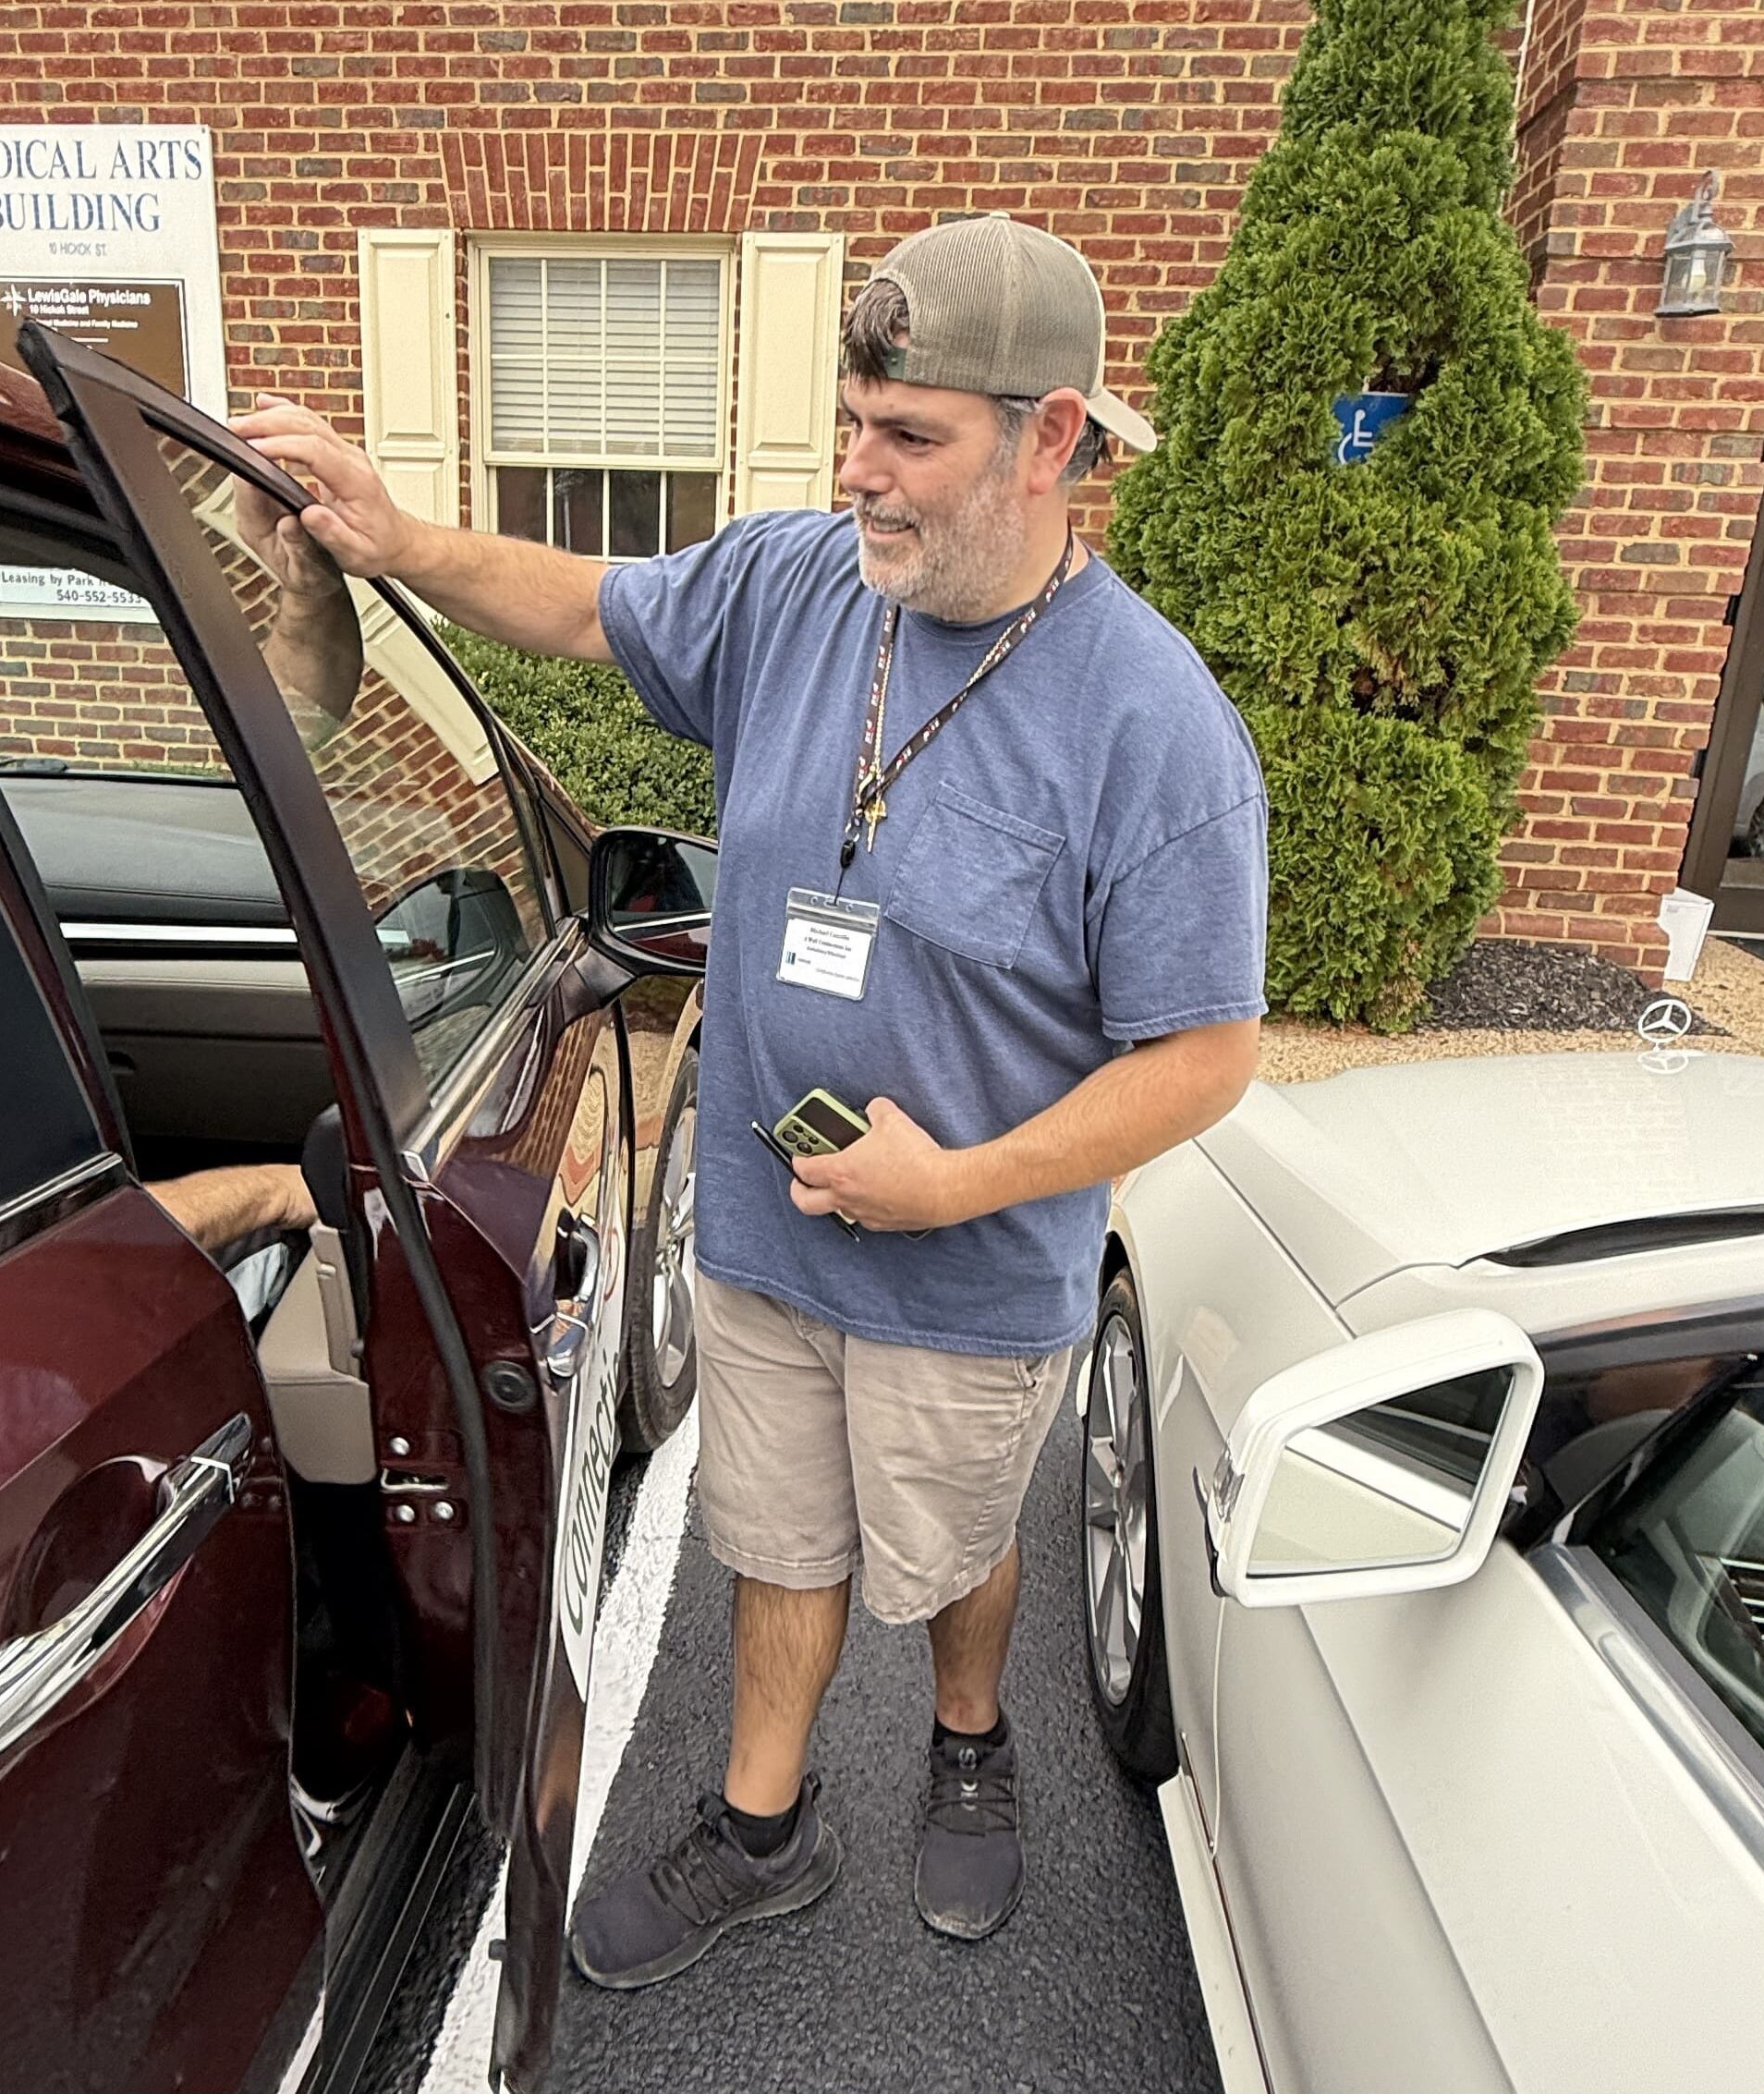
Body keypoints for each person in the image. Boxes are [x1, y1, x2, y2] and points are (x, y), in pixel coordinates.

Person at [230, 213, 1269, 1983]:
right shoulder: (800, 583)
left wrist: (962, 1184)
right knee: (776, 1535)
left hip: (971, 1263)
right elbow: (582, 601)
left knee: (948, 1548)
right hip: (768, 1221)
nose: (856, 471)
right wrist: (395, 537)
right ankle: (763, 1826)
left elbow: (1205, 1051)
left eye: (909, 436)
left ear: (1052, 439)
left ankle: (966, 1733)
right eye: (850, 419)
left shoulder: (1153, 727)